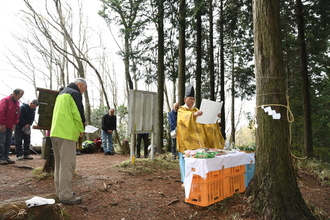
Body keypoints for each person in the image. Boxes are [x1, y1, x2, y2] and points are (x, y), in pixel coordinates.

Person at [176, 85, 225, 183]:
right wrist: (193, 115)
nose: (192, 101)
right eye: (190, 99)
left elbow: (205, 122)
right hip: (186, 141)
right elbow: (182, 119)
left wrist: (215, 117)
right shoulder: (181, 110)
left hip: (198, 141)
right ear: (185, 99)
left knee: (197, 160)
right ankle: (186, 181)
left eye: (193, 99)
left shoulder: (196, 110)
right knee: (185, 160)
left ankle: (197, 179)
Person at [50, 78, 87, 204]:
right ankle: (66, 195)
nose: (82, 93)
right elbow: (77, 113)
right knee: (67, 165)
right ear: (80, 85)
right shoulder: (74, 93)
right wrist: (81, 128)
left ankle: (60, 191)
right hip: (66, 133)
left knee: (59, 164)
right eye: (84, 90)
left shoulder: (61, 93)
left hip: (55, 132)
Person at [0, 89, 24, 165]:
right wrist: (2, 123)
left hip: (10, 125)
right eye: (19, 96)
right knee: (1, 141)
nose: (20, 97)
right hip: (3, 125)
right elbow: (1, 111)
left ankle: (6, 156)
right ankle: (1, 157)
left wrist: (14, 124)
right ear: (14, 94)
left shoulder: (17, 103)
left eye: (21, 96)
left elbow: (17, 114)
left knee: (8, 141)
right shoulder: (5, 100)